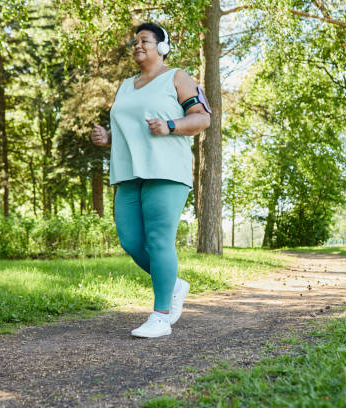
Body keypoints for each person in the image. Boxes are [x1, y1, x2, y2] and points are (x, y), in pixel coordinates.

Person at [91, 22, 211, 338]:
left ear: (162, 46)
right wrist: (108, 137)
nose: (137, 45)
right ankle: (173, 284)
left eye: (145, 40)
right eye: (135, 41)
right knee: (130, 240)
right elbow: (129, 127)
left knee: (159, 239)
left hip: (166, 170)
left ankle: (160, 317)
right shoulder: (126, 86)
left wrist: (170, 125)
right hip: (128, 173)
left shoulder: (177, 77)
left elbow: (202, 118)